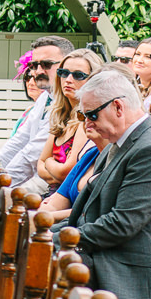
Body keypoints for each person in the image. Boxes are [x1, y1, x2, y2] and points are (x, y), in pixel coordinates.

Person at [60, 70, 151, 299]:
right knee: (28, 252)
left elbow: (122, 224)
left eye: (91, 114)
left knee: (35, 263)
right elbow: (88, 212)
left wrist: (59, 240)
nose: (86, 123)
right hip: (110, 252)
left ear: (118, 107)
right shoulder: (118, 144)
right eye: (82, 114)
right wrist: (47, 232)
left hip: (131, 267)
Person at [18, 49, 98, 196]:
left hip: (69, 199)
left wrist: (48, 162)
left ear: (93, 81)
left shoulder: (87, 119)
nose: (68, 79)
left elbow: (66, 172)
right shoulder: (60, 115)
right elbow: (39, 165)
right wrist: (52, 168)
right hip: (51, 192)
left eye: (78, 75)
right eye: (63, 73)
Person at [0, 36, 72, 180]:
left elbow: (32, 155)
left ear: (66, 66)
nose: (38, 71)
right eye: (34, 65)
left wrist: (0, 182)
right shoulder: (44, 98)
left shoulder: (69, 102)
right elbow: (18, 141)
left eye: (46, 64)